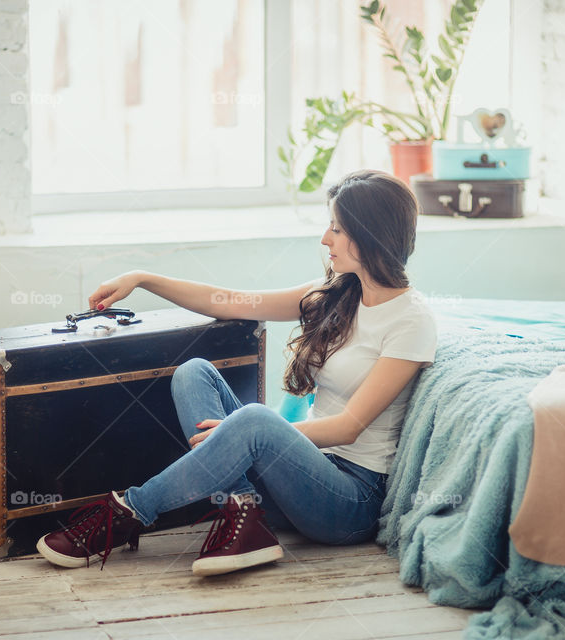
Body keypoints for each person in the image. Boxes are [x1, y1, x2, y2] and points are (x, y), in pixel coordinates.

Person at [37, 169, 438, 576]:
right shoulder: (337, 292)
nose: (324, 239)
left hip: (348, 502)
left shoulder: (411, 320)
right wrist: (144, 279)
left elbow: (349, 428)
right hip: (289, 482)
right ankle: (246, 515)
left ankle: (126, 512)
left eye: (336, 228)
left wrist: (246, 431)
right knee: (194, 373)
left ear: (369, 234)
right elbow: (231, 302)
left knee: (256, 420)